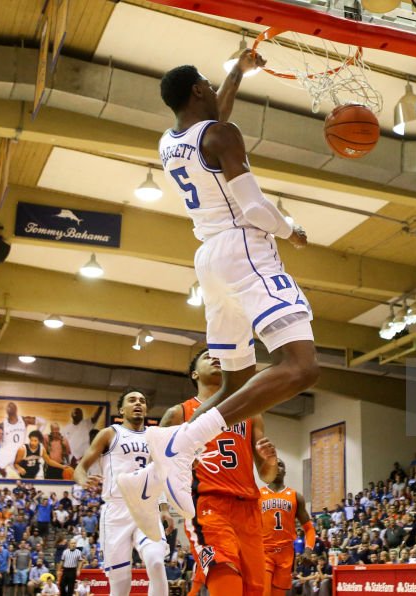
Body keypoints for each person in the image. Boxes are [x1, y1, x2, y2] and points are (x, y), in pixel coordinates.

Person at [129, 50, 320, 522]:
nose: (215, 90)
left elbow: (214, 123)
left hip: (210, 259)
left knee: (235, 381)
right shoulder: (220, 134)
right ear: (197, 90)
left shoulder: (170, 141)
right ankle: (186, 443)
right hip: (245, 249)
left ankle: (161, 462)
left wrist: (237, 73)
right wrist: (291, 229)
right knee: (301, 367)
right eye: (210, 84)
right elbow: (255, 209)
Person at [149, 349, 278, 596]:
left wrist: (270, 461)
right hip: (207, 505)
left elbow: (267, 475)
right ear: (194, 373)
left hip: (249, 509)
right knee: (225, 577)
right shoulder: (179, 413)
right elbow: (156, 464)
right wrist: (163, 505)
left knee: (255, 590)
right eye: (208, 355)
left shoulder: (251, 413)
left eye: (219, 354)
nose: (216, 356)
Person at [75, 390, 169, 596]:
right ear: (121, 409)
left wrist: (164, 508)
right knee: (120, 584)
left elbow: (158, 474)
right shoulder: (110, 433)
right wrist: (83, 480)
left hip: (146, 507)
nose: (138, 404)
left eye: (142, 401)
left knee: (155, 561)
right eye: (132, 400)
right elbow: (80, 467)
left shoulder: (154, 436)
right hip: (116, 510)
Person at [259, 459, 315, 596]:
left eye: (280, 464)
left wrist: (308, 550)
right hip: (264, 551)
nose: (277, 467)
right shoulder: (257, 494)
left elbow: (309, 529)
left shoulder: (296, 497)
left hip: (286, 554)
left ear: (285, 471)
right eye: (273, 465)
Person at [0, 403, 46, 478]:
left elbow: (43, 422)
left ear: (16, 409)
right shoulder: (2, 425)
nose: (10, 410)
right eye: (9, 408)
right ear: (6, 411)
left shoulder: (24, 420)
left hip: (20, 453)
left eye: (12, 408)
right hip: (6, 453)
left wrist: (38, 434)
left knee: (28, 475)